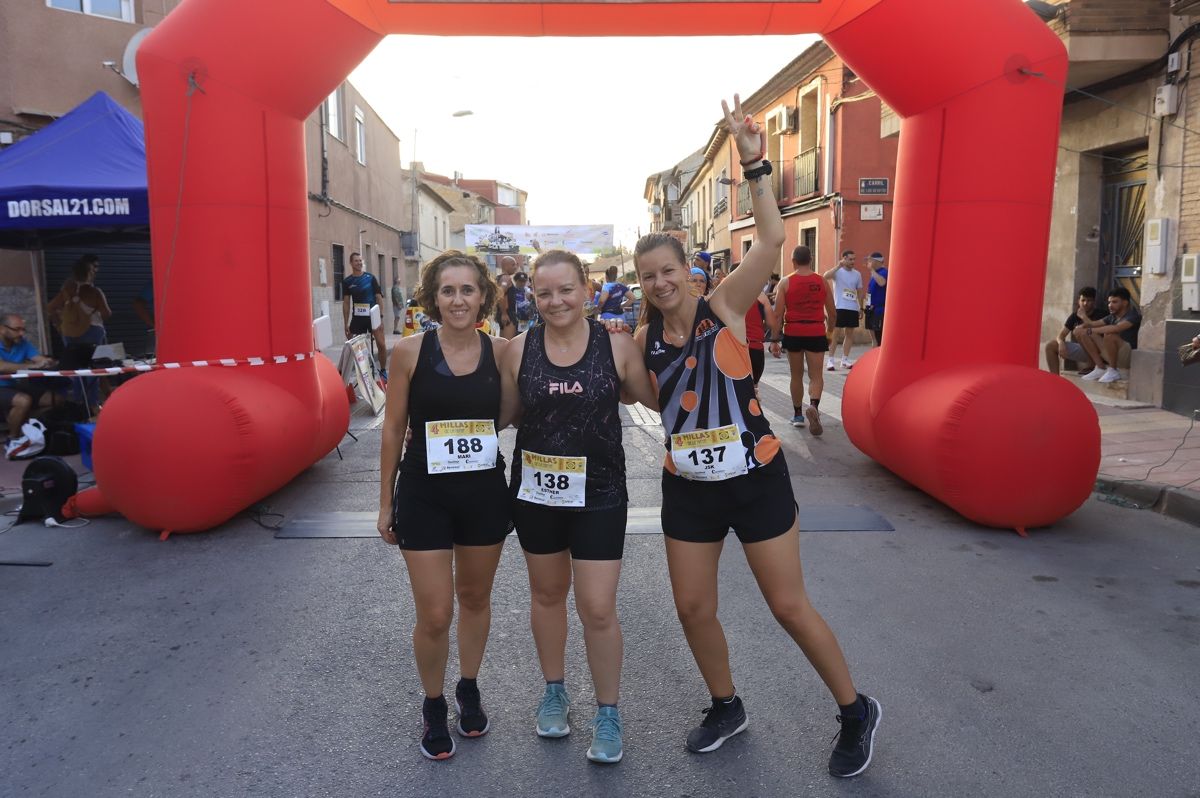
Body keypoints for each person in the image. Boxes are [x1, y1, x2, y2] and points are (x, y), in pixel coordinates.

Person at [631, 94, 880, 779]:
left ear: (689, 272)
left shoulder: (723, 306)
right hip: (688, 490)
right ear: (641, 282)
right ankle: (725, 704)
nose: (660, 283)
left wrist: (753, 160)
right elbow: (592, 380)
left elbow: (770, 241)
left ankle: (856, 711)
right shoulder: (644, 344)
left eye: (669, 271)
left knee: (788, 605)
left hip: (756, 478)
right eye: (649, 276)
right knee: (691, 605)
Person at [497, 248, 655, 765]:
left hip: (601, 494)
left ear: (586, 290)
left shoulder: (617, 346)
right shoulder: (519, 350)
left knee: (597, 606)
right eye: (544, 292)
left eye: (566, 289)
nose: (555, 300)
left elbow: (651, 398)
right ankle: (554, 691)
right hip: (537, 495)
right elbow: (503, 415)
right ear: (532, 296)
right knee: (546, 595)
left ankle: (608, 712)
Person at [376, 250, 511, 761]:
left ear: (483, 296)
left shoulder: (502, 352)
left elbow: (519, 409)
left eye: (468, 289)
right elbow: (392, 428)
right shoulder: (410, 351)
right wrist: (384, 501)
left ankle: (468, 687)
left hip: (482, 494)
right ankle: (433, 702)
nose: (458, 299)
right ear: (433, 297)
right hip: (424, 493)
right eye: (447, 290)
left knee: (475, 599)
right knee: (434, 612)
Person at [771, 245, 835, 433]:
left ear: (793, 261)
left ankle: (798, 415)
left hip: (794, 332)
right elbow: (832, 313)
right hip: (816, 331)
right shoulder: (822, 281)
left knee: (796, 376)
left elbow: (777, 314)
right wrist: (829, 334)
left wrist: (775, 339)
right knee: (816, 376)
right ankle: (814, 406)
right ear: (811, 260)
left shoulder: (785, 282)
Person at [0, 314, 57, 438]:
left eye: (23, 329)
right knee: (23, 400)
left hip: (14, 387)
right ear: (2, 328)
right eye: (17, 329)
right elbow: (2, 367)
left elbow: (39, 359)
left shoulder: (22, 343)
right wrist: (30, 366)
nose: (21, 333)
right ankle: (13, 438)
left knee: (54, 399)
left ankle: (27, 427)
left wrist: (47, 362)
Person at [1077, 286, 1141, 383]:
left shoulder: (1133, 316)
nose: (1110, 305)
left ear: (1125, 303)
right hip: (1113, 354)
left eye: (1114, 302)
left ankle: (1113, 370)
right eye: (1109, 302)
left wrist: (1090, 330)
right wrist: (1083, 321)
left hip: (1128, 357)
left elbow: (1116, 328)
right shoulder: (1112, 317)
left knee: (1109, 334)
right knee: (1083, 334)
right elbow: (1092, 324)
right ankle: (1100, 368)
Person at [48, 254, 111, 348]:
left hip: (68, 331)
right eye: (94, 267)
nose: (96, 270)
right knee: (95, 360)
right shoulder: (94, 292)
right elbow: (107, 313)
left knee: (74, 359)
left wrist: (59, 325)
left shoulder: (67, 289)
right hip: (92, 330)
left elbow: (50, 307)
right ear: (89, 272)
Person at [342, 252, 389, 375]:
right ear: (351, 263)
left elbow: (379, 298)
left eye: (360, 260)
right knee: (353, 346)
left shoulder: (370, 278)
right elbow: (346, 303)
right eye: (356, 261)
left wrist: (381, 317)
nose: (359, 262)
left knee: (381, 344)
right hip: (358, 317)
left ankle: (383, 371)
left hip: (373, 316)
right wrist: (345, 323)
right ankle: (363, 372)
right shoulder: (347, 281)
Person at [1044, 287, 1105, 375]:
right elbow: (1061, 335)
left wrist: (1084, 317)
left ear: (1094, 302)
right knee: (1050, 346)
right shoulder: (1074, 316)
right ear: (1078, 301)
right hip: (1083, 349)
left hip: (1100, 350)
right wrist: (1061, 343)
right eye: (1083, 300)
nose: (1085, 303)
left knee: (1080, 331)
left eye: (1089, 301)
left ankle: (1093, 366)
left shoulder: (1102, 314)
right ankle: (1055, 379)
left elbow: (1096, 330)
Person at [821, 250, 863, 370]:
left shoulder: (857, 274)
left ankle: (845, 359)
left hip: (852, 308)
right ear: (844, 259)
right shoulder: (837, 272)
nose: (853, 262)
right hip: (839, 307)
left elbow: (859, 291)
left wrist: (860, 307)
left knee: (849, 334)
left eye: (854, 259)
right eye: (850, 259)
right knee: (835, 334)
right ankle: (830, 360)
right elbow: (825, 276)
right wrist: (838, 266)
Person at [743, 288, 775, 386]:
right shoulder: (761, 296)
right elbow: (771, 323)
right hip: (755, 346)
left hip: (735, 346)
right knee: (753, 388)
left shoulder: (730, 294)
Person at [864, 252, 888, 347]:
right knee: (874, 339)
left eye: (870, 260)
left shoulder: (884, 272)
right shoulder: (875, 273)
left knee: (879, 337)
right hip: (871, 309)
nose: (868, 262)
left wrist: (872, 271)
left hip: (879, 310)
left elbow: (882, 283)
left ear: (877, 261)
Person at [496, 255, 520, 339]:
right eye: (513, 265)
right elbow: (501, 293)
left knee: (504, 342)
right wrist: (504, 313)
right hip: (508, 315)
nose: (515, 267)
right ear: (506, 266)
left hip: (506, 313)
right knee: (508, 343)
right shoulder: (505, 278)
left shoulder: (500, 278)